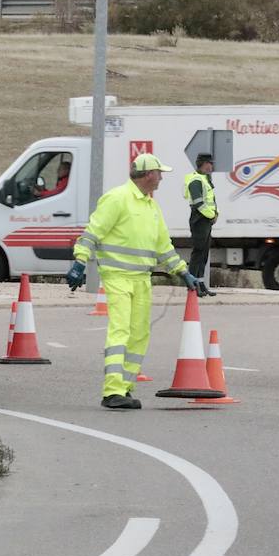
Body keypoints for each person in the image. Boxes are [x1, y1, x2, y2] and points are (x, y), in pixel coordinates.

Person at [66, 153, 209, 410]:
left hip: (142, 280)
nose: (162, 178)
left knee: (139, 334)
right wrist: (80, 260)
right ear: (148, 174)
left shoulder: (151, 206)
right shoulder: (117, 199)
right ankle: (112, 390)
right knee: (120, 331)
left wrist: (183, 272)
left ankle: (125, 387)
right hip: (118, 278)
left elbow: (164, 248)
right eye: (159, 173)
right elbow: (92, 233)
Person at [183, 153, 218, 293]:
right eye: (210, 163)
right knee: (198, 253)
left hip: (206, 219)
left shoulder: (205, 179)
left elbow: (211, 200)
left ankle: (201, 284)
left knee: (204, 253)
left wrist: (216, 214)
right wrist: (211, 215)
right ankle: (192, 285)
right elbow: (199, 204)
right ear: (203, 164)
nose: (212, 166)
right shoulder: (196, 180)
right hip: (199, 219)